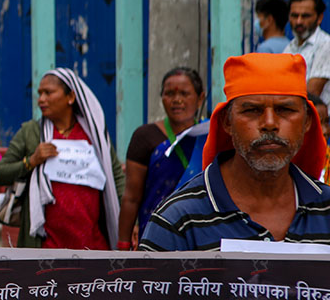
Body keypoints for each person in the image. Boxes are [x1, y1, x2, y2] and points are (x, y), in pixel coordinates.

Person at [140, 53, 330, 251]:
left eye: (285, 110)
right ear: (227, 122)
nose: (270, 124)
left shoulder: (326, 209)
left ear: (307, 122)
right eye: (252, 110)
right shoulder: (178, 221)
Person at [0, 68, 125, 249]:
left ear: (71, 97)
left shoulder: (94, 135)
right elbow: (1, 173)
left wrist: (128, 222)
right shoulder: (31, 132)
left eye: (48, 93)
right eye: (39, 94)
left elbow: (116, 177)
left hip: (91, 243)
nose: (41, 100)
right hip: (46, 245)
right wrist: (31, 161)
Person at [117, 67, 207, 249]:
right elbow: (131, 198)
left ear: (200, 98)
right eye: (169, 94)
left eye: (184, 93)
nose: (177, 100)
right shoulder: (145, 136)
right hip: (155, 232)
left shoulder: (210, 135)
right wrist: (123, 246)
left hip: (202, 230)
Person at [284, 0, 330, 105]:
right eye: (294, 16)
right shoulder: (290, 48)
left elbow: (312, 93)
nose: (299, 21)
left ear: (319, 18)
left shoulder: (325, 44)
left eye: (305, 16)